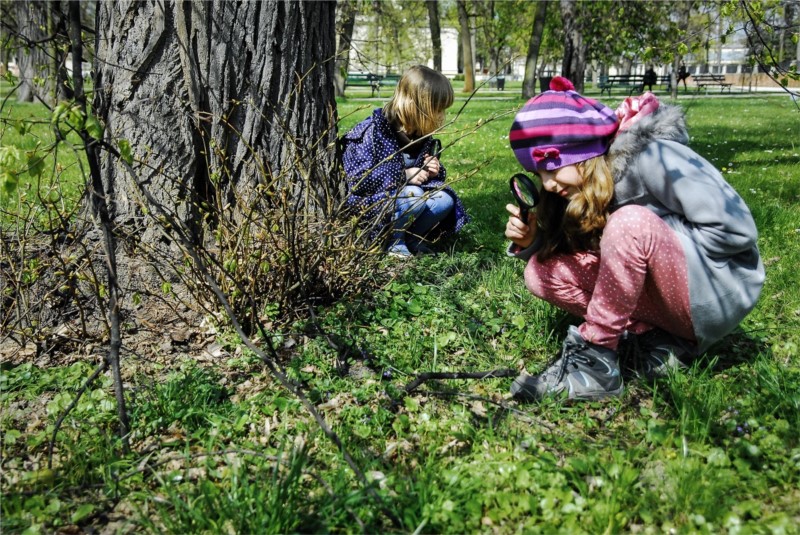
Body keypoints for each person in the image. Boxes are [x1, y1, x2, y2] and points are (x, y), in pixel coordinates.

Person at [505, 76, 764, 401]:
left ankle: (596, 362)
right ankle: (663, 343)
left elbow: (737, 230)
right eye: (538, 175)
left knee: (628, 225)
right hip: (671, 301)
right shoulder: (584, 189)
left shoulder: (655, 158)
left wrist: (657, 240)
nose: (548, 185)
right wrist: (533, 240)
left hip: (717, 290)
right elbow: (600, 258)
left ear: (581, 152)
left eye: (551, 168)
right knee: (540, 273)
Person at [341, 65, 469, 257]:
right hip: (370, 203)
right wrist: (404, 175)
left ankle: (413, 238)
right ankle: (392, 242)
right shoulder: (374, 131)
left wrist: (434, 170)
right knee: (414, 195)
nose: (442, 116)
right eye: (437, 109)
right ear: (415, 106)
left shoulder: (419, 133)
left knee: (444, 199)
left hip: (404, 200)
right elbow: (358, 180)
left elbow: (424, 175)